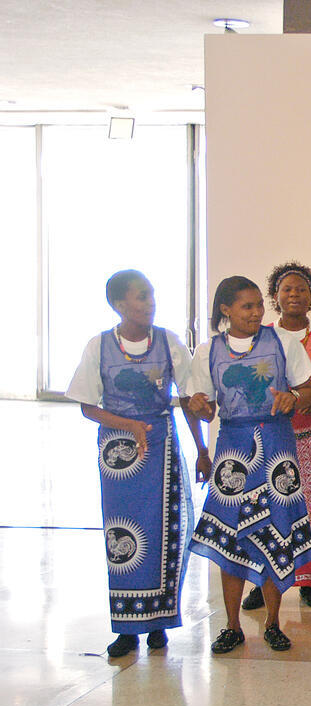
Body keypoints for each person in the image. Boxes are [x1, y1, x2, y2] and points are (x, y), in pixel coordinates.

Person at [66, 270, 208, 658]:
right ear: (119, 304)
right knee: (122, 539)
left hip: (161, 446)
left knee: (165, 532)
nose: (150, 303)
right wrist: (128, 424)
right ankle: (127, 628)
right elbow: (87, 406)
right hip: (119, 456)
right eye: (141, 296)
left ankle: (159, 621)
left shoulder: (169, 342)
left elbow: (188, 399)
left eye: (151, 295)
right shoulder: (98, 346)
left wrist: (201, 448)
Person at [186, 276, 311, 654]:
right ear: (226, 309)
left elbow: (308, 389)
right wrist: (199, 408)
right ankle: (232, 626)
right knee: (230, 536)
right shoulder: (208, 351)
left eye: (259, 304)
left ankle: (273, 623)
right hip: (233, 449)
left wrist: (294, 398)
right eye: (247, 306)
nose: (257, 312)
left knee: (277, 532)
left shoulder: (284, 342)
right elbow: (206, 408)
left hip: (277, 447)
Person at [241, 262, 311, 613]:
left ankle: (308, 581)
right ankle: (263, 581)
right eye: (287, 289)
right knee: (266, 511)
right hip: (269, 439)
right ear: (275, 296)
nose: (294, 295)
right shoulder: (260, 336)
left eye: (301, 289)